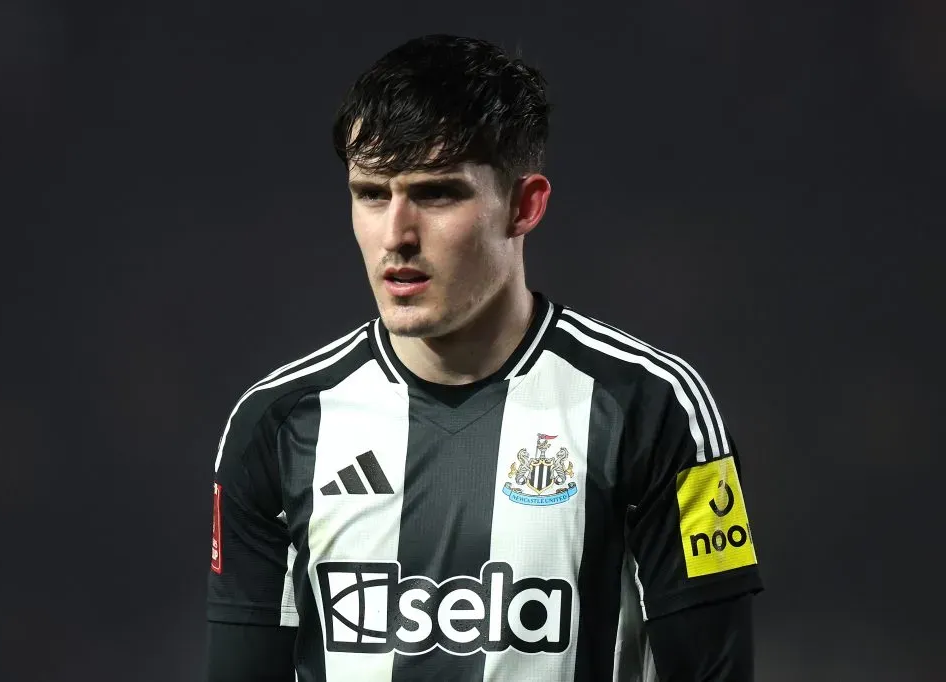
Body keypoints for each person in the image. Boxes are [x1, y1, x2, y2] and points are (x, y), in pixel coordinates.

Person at [205, 34, 762, 682]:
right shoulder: (276, 425)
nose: (397, 235)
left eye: (437, 194)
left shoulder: (654, 409)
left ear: (524, 206)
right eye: (372, 193)